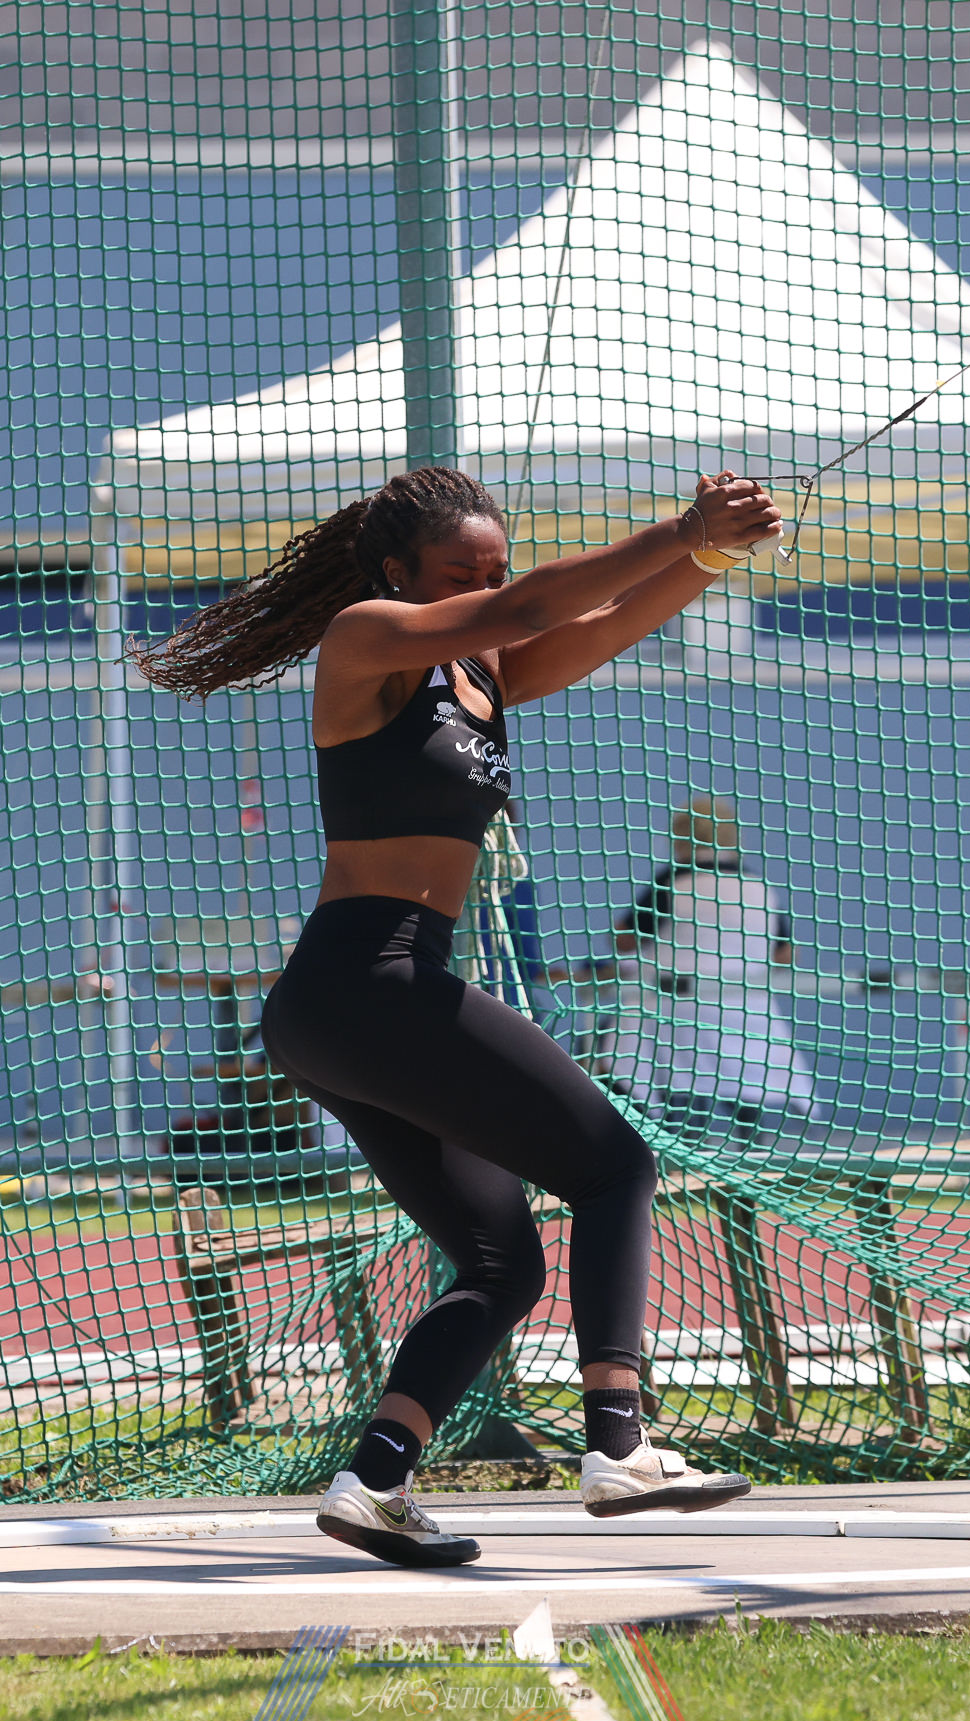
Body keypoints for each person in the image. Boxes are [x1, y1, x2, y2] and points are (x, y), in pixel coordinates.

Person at [136, 465, 777, 1566]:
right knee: (615, 1165)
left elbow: (598, 627)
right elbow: (533, 605)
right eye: (458, 573)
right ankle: (620, 1443)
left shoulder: (480, 671)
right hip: (365, 980)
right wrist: (680, 525)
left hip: (366, 1000)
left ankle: (375, 1480)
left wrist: (709, 556)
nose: (484, 586)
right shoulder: (366, 636)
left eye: (494, 567)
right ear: (397, 573)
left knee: (502, 1260)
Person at [609, 796, 818, 1143]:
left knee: (680, 1084)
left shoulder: (671, 883)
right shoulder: (757, 886)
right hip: (746, 1013)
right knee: (744, 1089)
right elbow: (785, 953)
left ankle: (681, 1148)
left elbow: (625, 940)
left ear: (679, 836)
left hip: (679, 1011)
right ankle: (751, 1148)